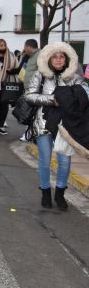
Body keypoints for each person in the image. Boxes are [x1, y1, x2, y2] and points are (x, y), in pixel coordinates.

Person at [25, 42, 88, 210]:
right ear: (49, 58)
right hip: (43, 123)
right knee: (45, 161)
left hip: (66, 126)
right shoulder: (40, 75)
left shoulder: (74, 77)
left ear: (66, 59)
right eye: (55, 56)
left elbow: (85, 96)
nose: (59, 60)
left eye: (62, 56)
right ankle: (45, 192)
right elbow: (29, 96)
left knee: (64, 162)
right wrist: (53, 100)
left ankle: (60, 194)